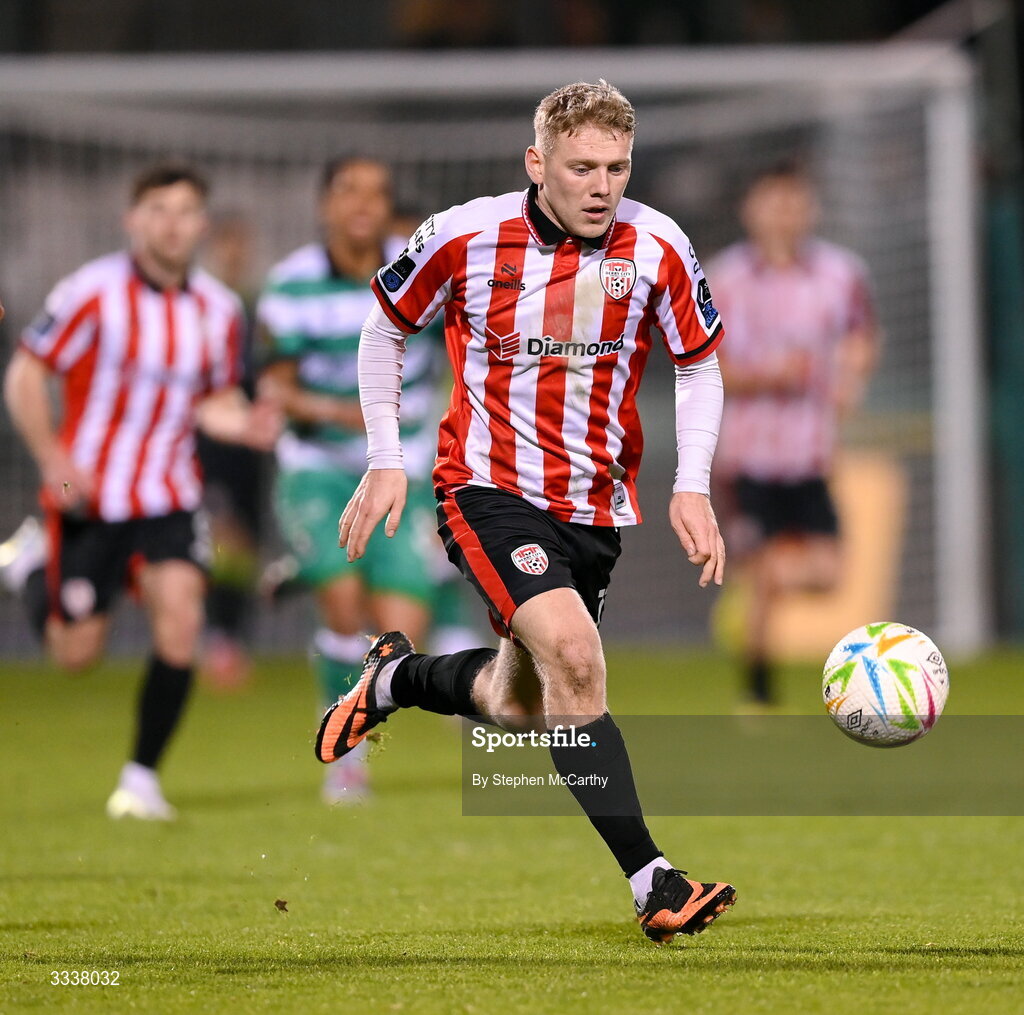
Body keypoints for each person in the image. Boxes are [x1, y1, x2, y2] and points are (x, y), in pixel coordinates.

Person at [316, 80, 736, 943]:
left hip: (594, 505)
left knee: (522, 703)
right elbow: (384, 329)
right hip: (488, 488)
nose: (602, 185)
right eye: (582, 166)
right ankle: (655, 880)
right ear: (536, 163)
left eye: (618, 167)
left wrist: (692, 481)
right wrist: (386, 457)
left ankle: (393, 678)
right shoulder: (464, 235)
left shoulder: (658, 244)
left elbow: (698, 364)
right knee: (577, 662)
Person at [1, 163, 279, 820]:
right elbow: (24, 374)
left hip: (169, 496)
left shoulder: (218, 308)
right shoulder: (92, 291)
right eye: (158, 209)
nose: (172, 223)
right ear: (133, 219)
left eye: (185, 211)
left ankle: (141, 779)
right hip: (90, 495)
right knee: (76, 654)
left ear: (201, 225)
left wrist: (245, 422)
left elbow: (212, 398)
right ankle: (29, 565)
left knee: (181, 620)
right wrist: (53, 458)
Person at [257, 157, 446, 804]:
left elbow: (473, 345)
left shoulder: (425, 269)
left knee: (397, 638)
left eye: (377, 193)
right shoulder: (289, 285)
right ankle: (346, 759)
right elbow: (277, 387)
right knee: (342, 604)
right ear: (324, 204)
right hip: (319, 467)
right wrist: (348, 411)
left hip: (402, 468)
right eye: (348, 191)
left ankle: (357, 708)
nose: (363, 204)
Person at [708, 163, 878, 708]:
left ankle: (758, 583)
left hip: (810, 453)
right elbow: (703, 365)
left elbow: (860, 335)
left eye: (795, 201)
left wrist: (850, 379)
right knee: (764, 573)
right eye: (773, 201)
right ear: (750, 209)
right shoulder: (724, 277)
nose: (785, 212)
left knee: (828, 572)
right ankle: (757, 693)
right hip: (748, 454)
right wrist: (769, 374)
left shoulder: (840, 273)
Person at [196, 211, 264, 690]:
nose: (234, 253)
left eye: (241, 243)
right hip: (211, 440)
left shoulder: (257, 306)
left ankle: (230, 639)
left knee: (247, 541)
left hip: (251, 442)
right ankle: (218, 638)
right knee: (223, 537)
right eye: (227, 244)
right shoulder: (200, 305)